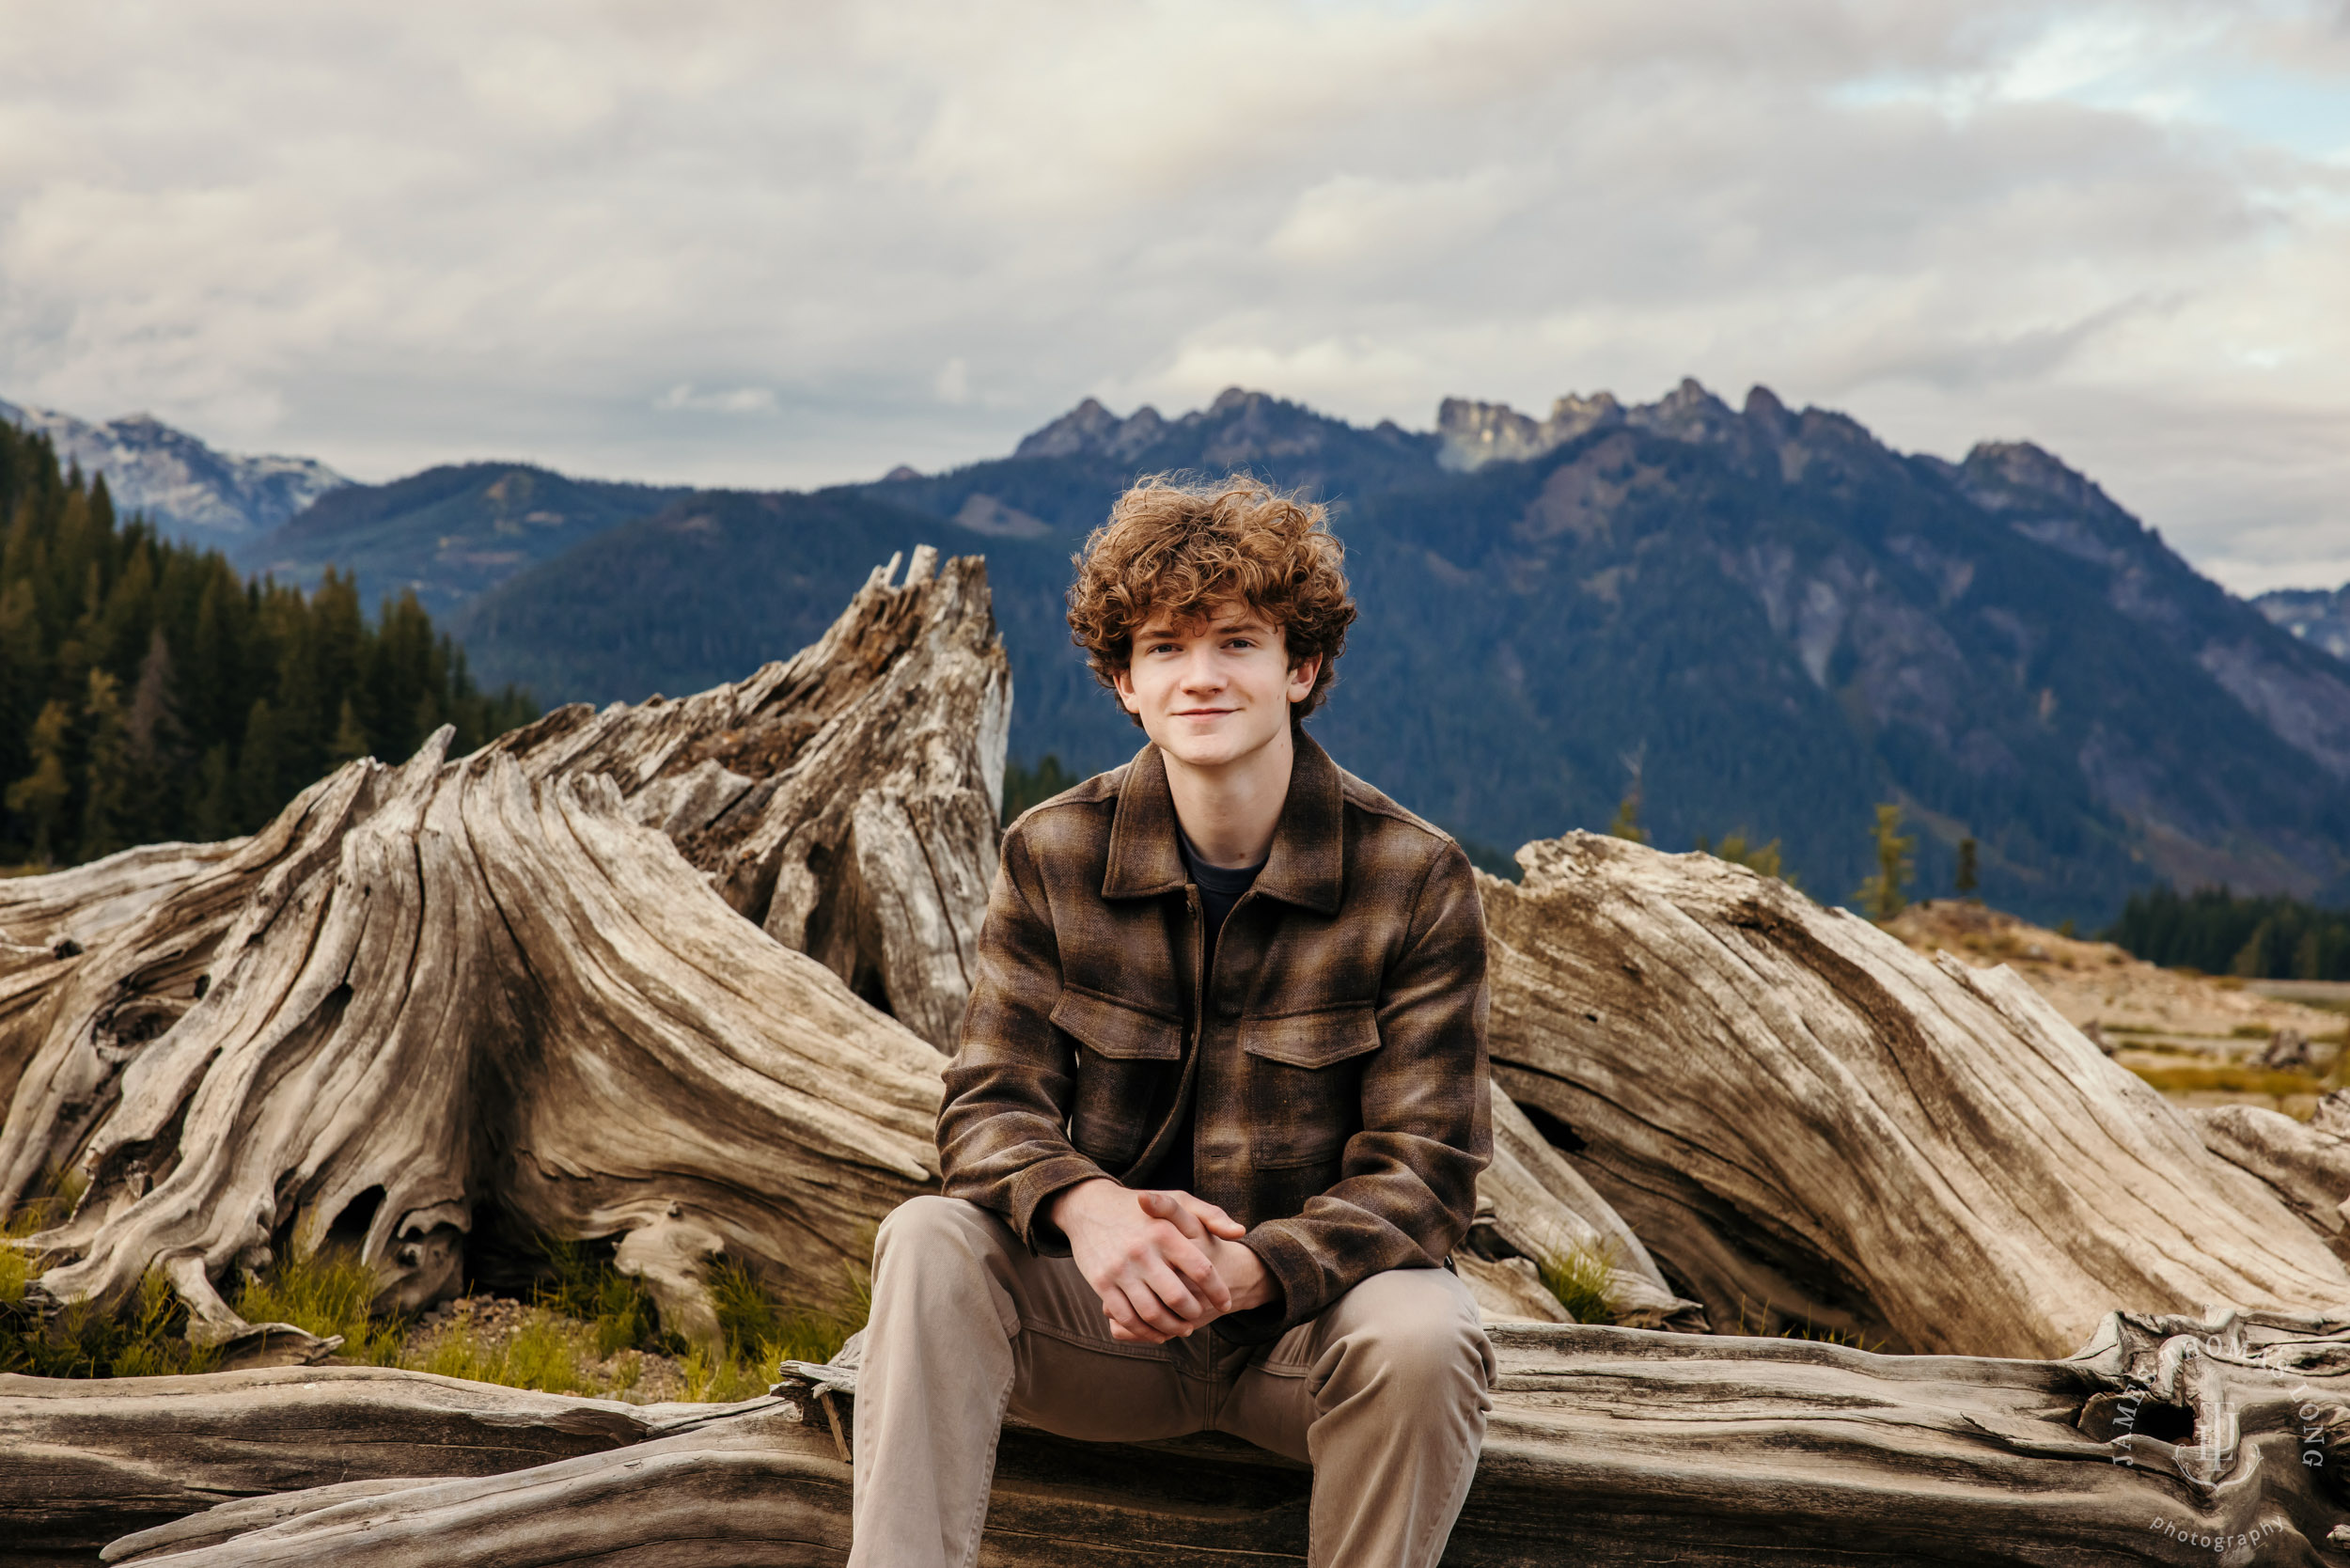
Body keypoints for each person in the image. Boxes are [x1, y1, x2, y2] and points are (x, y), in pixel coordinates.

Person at [849, 475, 1496, 1568]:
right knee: (928, 1240)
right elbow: (988, 1107)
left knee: (1428, 1332)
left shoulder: (1414, 876)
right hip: (1098, 1332)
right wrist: (1089, 1211)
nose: (1200, 677)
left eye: (1237, 643)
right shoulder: (1053, 855)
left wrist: (1255, 1272)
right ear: (1123, 685)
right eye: (1163, 649)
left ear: (1301, 670)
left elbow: (1424, 1174)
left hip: (1304, 1344)